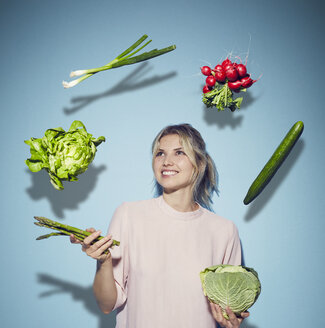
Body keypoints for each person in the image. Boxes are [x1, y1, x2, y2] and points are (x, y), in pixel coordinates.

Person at [71, 123, 249, 328]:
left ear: (199, 164)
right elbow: (106, 304)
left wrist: (231, 320)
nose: (167, 161)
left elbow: (230, 310)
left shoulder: (224, 230)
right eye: (160, 154)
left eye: (179, 152)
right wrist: (103, 261)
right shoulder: (129, 214)